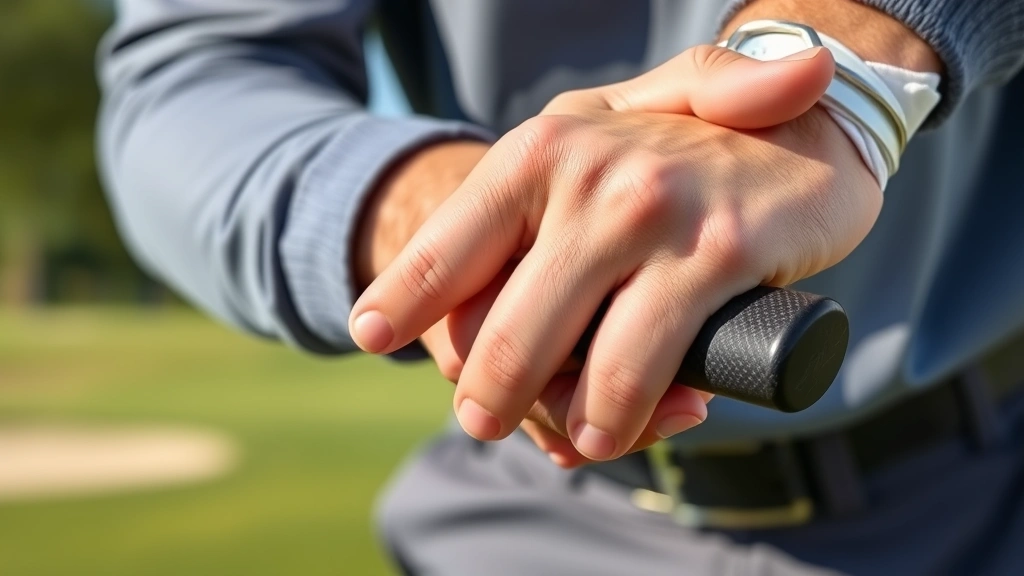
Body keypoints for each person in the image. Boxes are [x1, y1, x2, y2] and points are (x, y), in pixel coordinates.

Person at [97, 1, 1024, 574]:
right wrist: (463, 215)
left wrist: (839, 74)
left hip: (984, 498)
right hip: (539, 513)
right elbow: (196, 74)